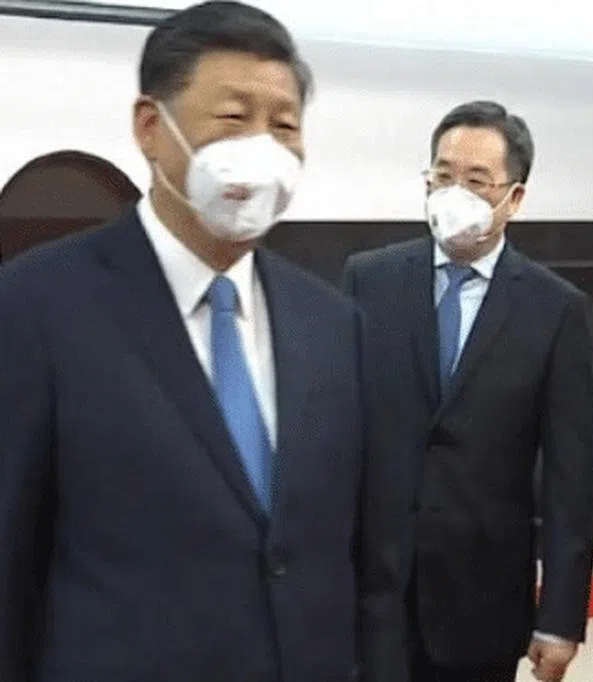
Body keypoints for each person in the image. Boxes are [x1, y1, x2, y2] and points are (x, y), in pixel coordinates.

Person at [0, 2, 364, 680]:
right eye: (233, 118)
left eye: (284, 125)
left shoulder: (332, 322)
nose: (263, 147)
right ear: (150, 126)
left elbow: (349, 547)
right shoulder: (36, 306)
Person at [342, 100, 593, 682]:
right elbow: (337, 432)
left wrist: (560, 618)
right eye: (444, 175)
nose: (455, 193)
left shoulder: (554, 310)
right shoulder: (370, 279)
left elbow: (569, 479)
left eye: (477, 181)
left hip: (481, 606)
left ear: (515, 197)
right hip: (370, 598)